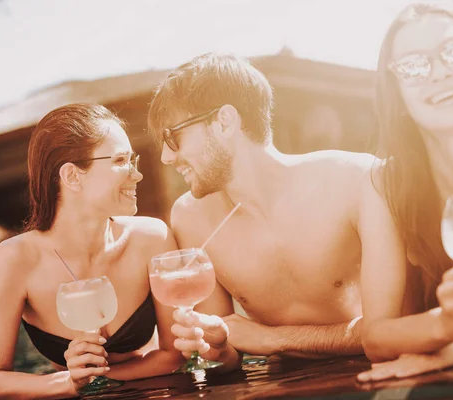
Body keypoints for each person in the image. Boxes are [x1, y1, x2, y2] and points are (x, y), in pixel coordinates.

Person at [146, 52, 375, 367]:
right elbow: (227, 357)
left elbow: (392, 327)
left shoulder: (352, 180)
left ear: (224, 122)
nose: (166, 158)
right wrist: (215, 348)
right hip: (277, 386)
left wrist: (272, 339)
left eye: (173, 137)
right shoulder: (191, 217)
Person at [0, 103, 184, 399]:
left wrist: (95, 378)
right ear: (72, 176)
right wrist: (70, 383)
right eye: (121, 160)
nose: (137, 175)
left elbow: (174, 355)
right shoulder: (16, 260)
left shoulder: (151, 239)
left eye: (132, 160)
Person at [355, 1, 453, 382]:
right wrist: (444, 325)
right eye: (414, 66)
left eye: (451, 51)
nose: (440, 73)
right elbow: (376, 337)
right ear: (396, 97)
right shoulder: (386, 184)